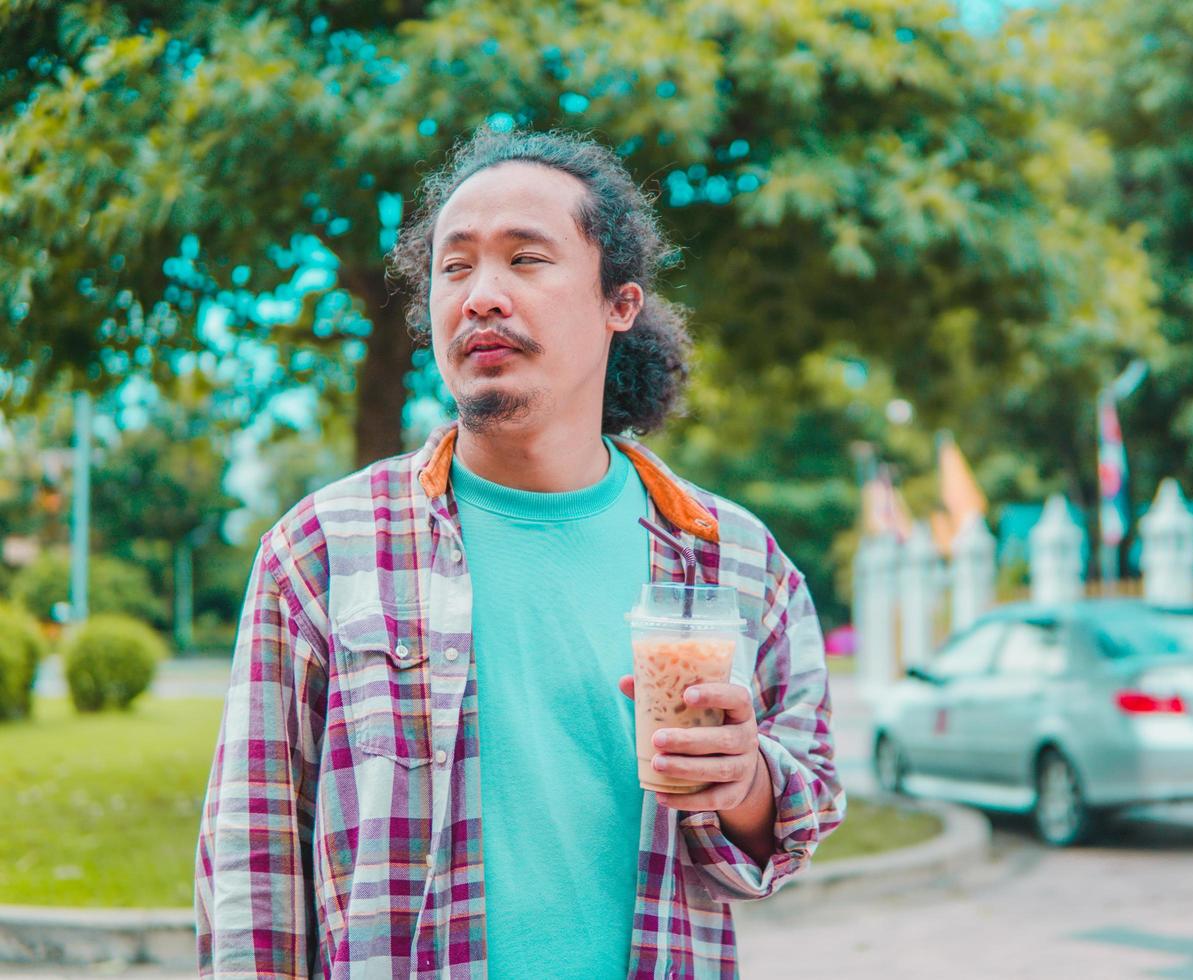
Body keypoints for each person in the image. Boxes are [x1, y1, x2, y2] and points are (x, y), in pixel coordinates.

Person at [194, 127, 845, 979]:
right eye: (454, 267)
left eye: (526, 260)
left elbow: (800, 815)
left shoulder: (735, 560)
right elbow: (253, 870)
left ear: (621, 303)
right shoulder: (322, 550)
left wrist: (746, 780)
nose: (480, 297)